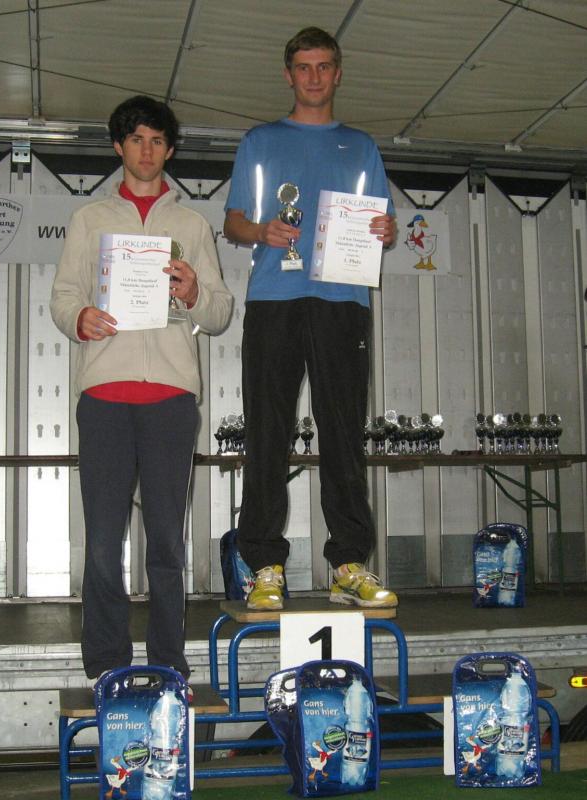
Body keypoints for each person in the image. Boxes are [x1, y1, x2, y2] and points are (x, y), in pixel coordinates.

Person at [51, 95, 233, 680]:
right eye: (136, 140)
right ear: (119, 147)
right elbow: (62, 297)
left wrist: (193, 292)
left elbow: (221, 312)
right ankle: (107, 664)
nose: (147, 150)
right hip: (104, 398)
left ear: (169, 150)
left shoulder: (192, 225)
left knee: (167, 545)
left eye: (157, 140)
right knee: (104, 542)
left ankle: (167, 663)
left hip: (170, 402)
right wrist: (79, 318)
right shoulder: (89, 220)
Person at [223, 27, 397, 611]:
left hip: (343, 301)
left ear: (338, 73)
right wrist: (262, 231)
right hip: (274, 298)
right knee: (267, 431)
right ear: (288, 74)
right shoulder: (260, 141)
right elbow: (233, 222)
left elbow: (381, 222)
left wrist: (386, 230)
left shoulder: (361, 147)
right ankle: (264, 566)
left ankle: (348, 563)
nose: (314, 77)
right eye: (304, 67)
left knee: (343, 432)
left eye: (324, 66)